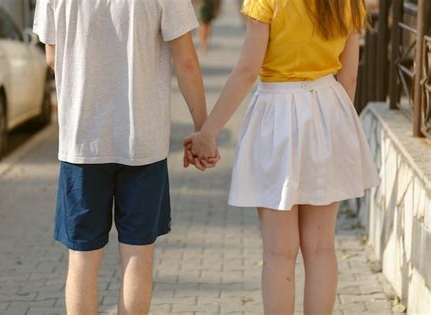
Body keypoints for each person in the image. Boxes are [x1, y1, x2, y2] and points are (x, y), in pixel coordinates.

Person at [184, 0, 379, 314]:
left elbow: (247, 71)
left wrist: (209, 132)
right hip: (328, 109)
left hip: (278, 116)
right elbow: (350, 78)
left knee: (279, 252)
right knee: (321, 248)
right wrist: (336, 127)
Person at [33, 1, 219, 314]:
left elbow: (52, 57)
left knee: (82, 261)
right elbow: (186, 61)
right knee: (138, 257)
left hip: (82, 144)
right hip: (143, 144)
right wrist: (203, 130)